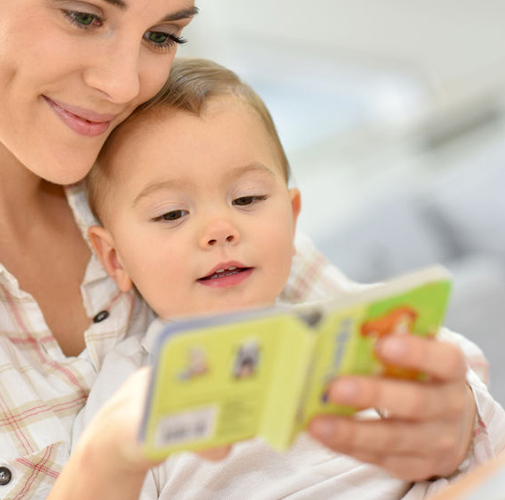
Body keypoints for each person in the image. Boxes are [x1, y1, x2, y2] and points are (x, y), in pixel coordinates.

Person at [0, 1, 500, 499]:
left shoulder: (174, 166)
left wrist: (453, 423)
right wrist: (110, 457)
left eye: (163, 33)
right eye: (84, 16)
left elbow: (418, 388)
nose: (124, 84)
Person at [73, 58, 505, 498]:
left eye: (247, 198)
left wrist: (459, 413)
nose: (220, 229)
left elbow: (473, 427)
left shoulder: (344, 329)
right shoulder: (128, 392)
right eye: (172, 214)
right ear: (115, 258)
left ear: (292, 216)